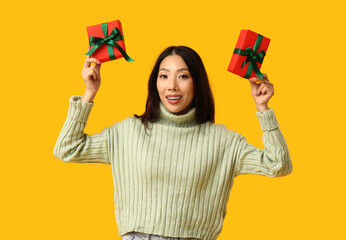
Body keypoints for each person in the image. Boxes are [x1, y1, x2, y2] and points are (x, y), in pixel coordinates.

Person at [53, 46, 293, 240]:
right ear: (155, 83)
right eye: (164, 76)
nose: (172, 86)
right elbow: (67, 148)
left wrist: (263, 108)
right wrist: (88, 94)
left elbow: (278, 164)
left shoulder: (224, 141)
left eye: (183, 76)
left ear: (196, 83)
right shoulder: (127, 132)